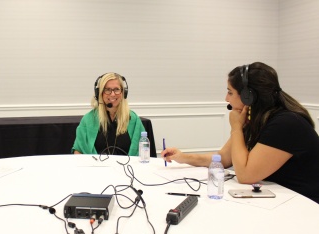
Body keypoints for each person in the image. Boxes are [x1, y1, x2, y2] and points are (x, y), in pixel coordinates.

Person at [161, 62, 319, 203]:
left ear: (248, 96)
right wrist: (182, 157)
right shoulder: (257, 117)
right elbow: (223, 158)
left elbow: (245, 175)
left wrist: (236, 128)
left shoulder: (285, 124)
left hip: (304, 205)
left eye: (230, 92)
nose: (226, 99)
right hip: (281, 198)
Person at [72, 72, 145, 156]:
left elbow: (143, 151)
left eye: (116, 89)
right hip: (96, 168)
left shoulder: (133, 119)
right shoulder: (88, 119)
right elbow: (78, 151)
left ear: (123, 92)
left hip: (127, 168)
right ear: (99, 93)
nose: (112, 94)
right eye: (107, 89)